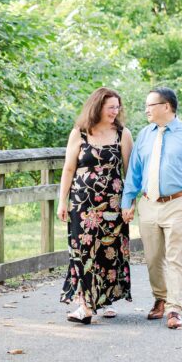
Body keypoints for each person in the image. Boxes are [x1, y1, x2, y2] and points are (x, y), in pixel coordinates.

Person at [121, 87, 182, 330]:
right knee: (152, 258)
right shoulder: (145, 135)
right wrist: (127, 201)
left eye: (151, 105)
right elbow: (135, 172)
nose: (146, 109)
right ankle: (160, 298)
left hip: (178, 202)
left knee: (175, 256)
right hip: (149, 203)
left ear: (166, 106)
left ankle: (174, 308)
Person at [57, 87, 134, 324]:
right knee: (83, 252)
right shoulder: (79, 133)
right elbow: (69, 168)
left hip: (113, 203)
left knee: (109, 252)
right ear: (97, 106)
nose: (115, 111)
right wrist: (62, 201)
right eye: (110, 107)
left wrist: (130, 203)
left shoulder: (122, 134)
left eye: (117, 107)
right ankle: (85, 305)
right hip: (82, 203)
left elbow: (130, 171)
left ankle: (105, 299)